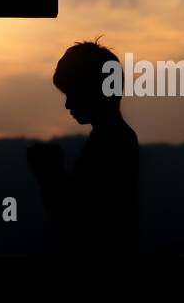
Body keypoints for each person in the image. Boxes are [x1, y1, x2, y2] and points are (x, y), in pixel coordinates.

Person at [27, 40, 139, 252]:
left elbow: (77, 221)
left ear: (93, 90)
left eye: (72, 93)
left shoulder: (110, 144)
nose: (68, 104)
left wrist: (50, 174)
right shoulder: (116, 138)